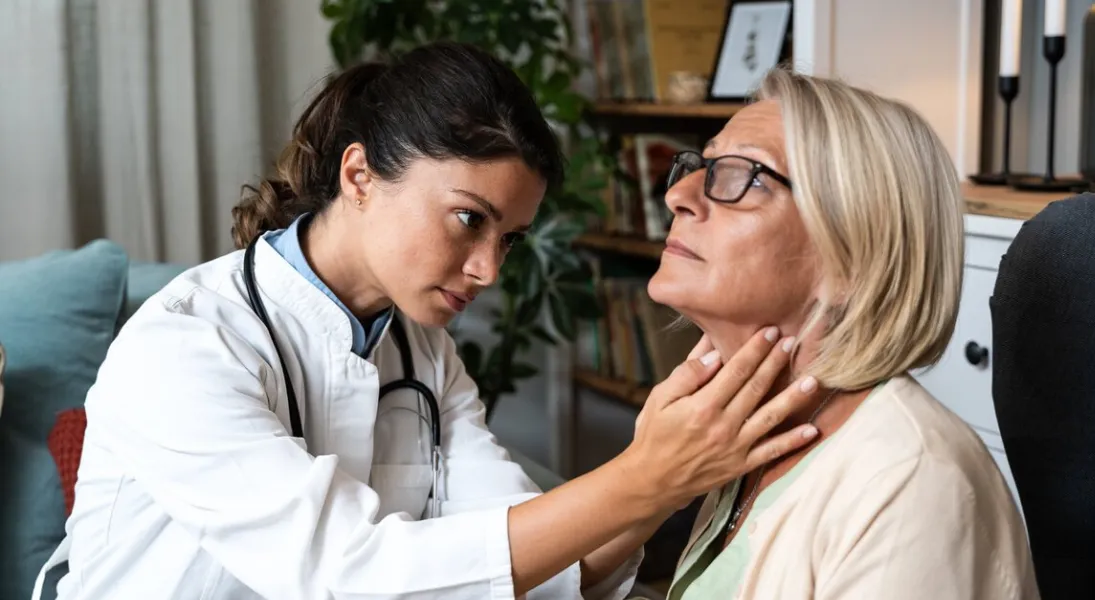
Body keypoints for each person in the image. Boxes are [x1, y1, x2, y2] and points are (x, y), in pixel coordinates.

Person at [32, 43, 826, 599]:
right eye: (466, 220)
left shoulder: (423, 352)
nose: (489, 269)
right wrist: (642, 475)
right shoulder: (184, 345)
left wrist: (673, 478)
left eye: (508, 239)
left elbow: (517, 556)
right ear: (359, 175)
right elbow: (346, 574)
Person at [650, 68, 1040, 599]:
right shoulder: (740, 433)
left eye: (749, 175)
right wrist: (646, 480)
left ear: (852, 260)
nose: (680, 195)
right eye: (703, 164)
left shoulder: (913, 486)